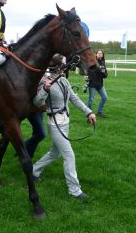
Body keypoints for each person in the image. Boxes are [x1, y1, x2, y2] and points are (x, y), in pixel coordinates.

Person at [32, 55, 96, 199]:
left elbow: (74, 98)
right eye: (62, 66)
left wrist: (89, 112)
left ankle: (33, 171)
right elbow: (37, 102)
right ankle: (74, 190)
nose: (65, 68)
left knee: (55, 153)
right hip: (55, 124)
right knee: (69, 155)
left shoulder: (63, 80)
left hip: (65, 121)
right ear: (57, 67)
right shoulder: (44, 82)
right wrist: (45, 90)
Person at [87, 50, 108, 118]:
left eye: (101, 53)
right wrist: (98, 69)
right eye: (98, 53)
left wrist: (104, 73)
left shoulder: (103, 62)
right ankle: (89, 113)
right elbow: (89, 72)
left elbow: (105, 74)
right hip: (92, 84)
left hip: (100, 84)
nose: (99, 54)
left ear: (102, 55)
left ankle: (99, 111)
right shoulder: (92, 62)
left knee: (104, 97)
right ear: (96, 54)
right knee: (91, 99)